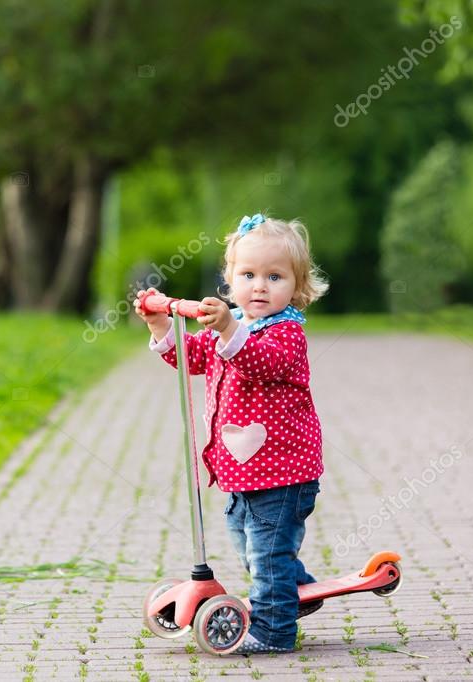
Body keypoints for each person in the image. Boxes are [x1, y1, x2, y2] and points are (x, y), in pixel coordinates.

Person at [134, 213, 329, 654]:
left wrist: (226, 327)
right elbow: (189, 358)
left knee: (265, 554)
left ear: (297, 287)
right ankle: (295, 588)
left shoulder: (285, 334)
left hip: (284, 474)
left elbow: (260, 361)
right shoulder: (237, 323)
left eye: (274, 277)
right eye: (248, 275)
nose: (259, 286)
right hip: (243, 472)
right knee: (248, 542)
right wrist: (160, 323)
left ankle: (275, 631)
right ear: (230, 280)